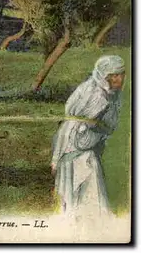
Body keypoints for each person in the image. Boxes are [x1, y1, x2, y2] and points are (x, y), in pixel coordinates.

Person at [51, 55, 125, 219]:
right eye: (115, 75)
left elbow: (107, 126)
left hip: (87, 146)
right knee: (83, 180)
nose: (120, 78)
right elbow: (76, 125)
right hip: (77, 149)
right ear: (105, 76)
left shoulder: (112, 94)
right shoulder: (95, 95)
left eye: (121, 74)